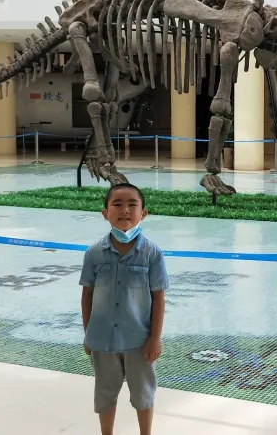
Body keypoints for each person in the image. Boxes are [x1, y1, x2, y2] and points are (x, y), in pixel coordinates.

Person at [80, 183, 168, 435]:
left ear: (144, 213)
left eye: (132, 205)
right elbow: (87, 294)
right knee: (105, 393)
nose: (125, 210)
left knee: (143, 393)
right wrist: (88, 333)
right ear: (105, 213)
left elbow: (158, 297)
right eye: (117, 204)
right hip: (103, 339)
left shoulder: (152, 254)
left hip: (138, 340)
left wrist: (155, 338)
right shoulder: (94, 253)